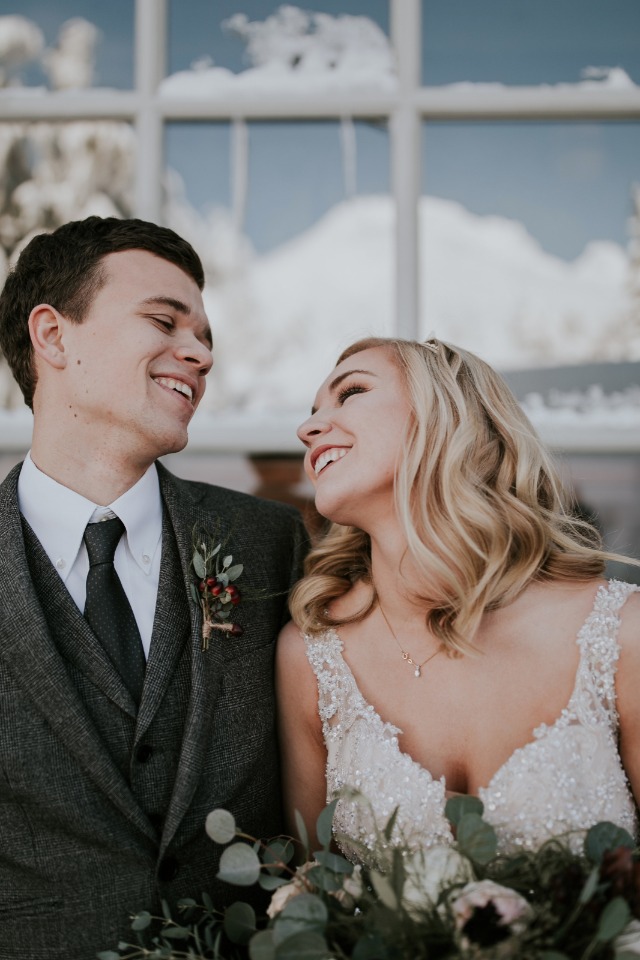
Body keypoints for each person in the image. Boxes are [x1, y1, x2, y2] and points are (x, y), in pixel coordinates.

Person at [0, 216, 307, 960]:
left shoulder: (268, 544)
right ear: (54, 336)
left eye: (205, 337)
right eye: (165, 321)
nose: (200, 355)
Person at [277, 335, 640, 866]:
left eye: (350, 393)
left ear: (443, 415)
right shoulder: (310, 657)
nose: (307, 429)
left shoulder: (620, 631)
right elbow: (307, 892)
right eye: (311, 413)